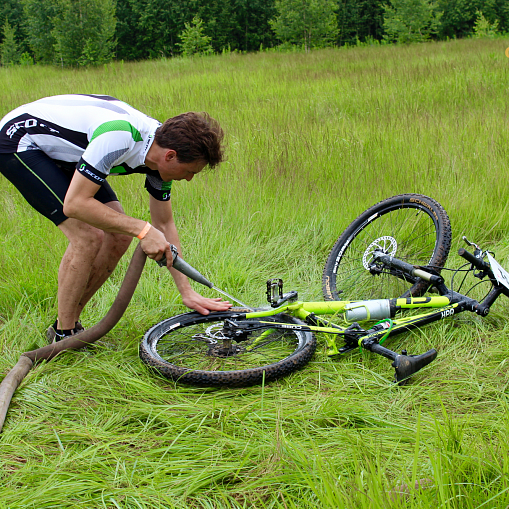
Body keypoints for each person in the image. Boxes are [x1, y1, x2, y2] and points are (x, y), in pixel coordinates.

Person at [0, 94, 231, 342]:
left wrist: (186, 290)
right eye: (189, 171)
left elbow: (164, 224)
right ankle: (63, 335)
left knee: (119, 236)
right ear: (170, 156)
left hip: (70, 151)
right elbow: (75, 204)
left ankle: (69, 325)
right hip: (21, 140)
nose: (188, 179)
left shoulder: (158, 162)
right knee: (87, 236)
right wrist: (142, 229)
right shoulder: (120, 138)